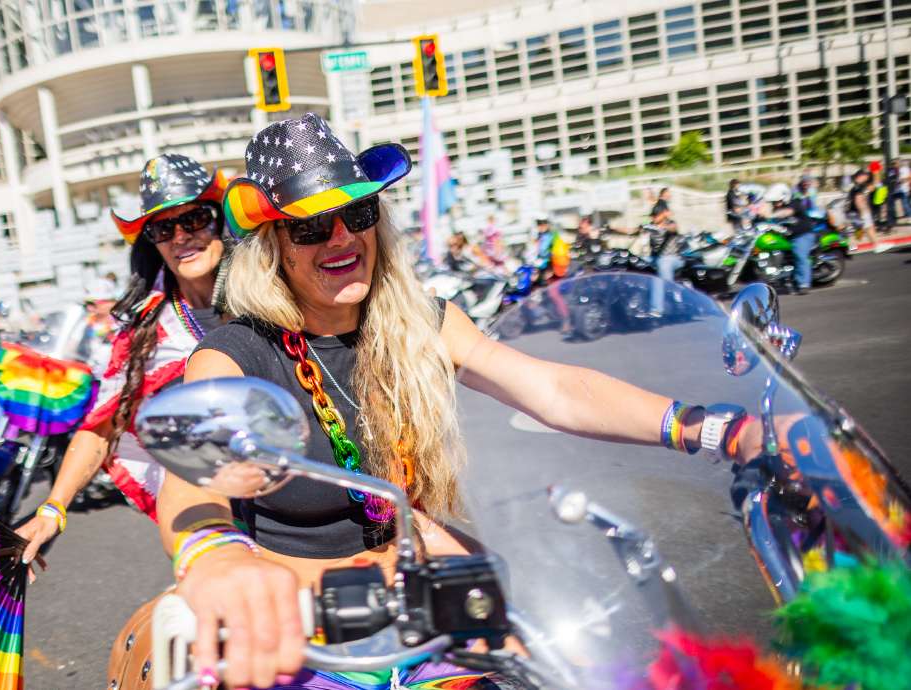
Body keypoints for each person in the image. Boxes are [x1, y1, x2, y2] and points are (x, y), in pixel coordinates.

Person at [131, 113, 762, 690]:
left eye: (358, 212)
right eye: (310, 225)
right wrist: (217, 559)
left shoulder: (415, 320)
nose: (342, 237)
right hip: (306, 633)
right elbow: (191, 482)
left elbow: (554, 388)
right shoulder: (237, 352)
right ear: (274, 246)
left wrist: (712, 429)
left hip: (427, 604)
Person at [16, 154, 230, 564]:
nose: (182, 236)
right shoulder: (148, 327)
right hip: (208, 501)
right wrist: (52, 508)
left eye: (196, 219)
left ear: (221, 219)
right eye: (164, 227)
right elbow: (102, 425)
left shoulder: (269, 292)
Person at [782, 175, 826, 294]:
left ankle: (804, 284)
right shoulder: (795, 193)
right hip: (795, 227)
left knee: (800, 253)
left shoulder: (798, 199)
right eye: (804, 182)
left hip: (804, 228)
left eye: (808, 182)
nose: (806, 184)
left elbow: (793, 210)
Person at [648, 187, 683, 315]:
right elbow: (632, 230)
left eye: (655, 215)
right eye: (652, 215)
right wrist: (613, 229)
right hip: (655, 258)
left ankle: (660, 306)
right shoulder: (651, 226)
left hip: (673, 258)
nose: (653, 218)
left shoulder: (671, 224)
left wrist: (663, 222)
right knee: (635, 262)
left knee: (663, 264)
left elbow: (673, 228)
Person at [847, 170, 890, 253]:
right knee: (867, 229)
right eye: (865, 176)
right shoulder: (857, 187)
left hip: (856, 212)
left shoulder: (857, 186)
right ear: (860, 176)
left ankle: (853, 247)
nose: (866, 178)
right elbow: (858, 200)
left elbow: (868, 191)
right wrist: (862, 212)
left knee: (864, 230)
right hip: (858, 212)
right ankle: (876, 246)